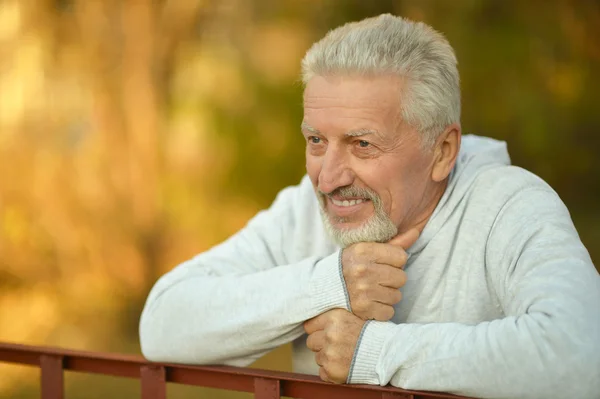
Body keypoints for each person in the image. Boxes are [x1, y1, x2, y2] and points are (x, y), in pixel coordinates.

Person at [139, 14, 600, 399]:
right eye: (316, 141)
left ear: (441, 151)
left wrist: (375, 353)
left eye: (361, 144)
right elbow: (163, 324)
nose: (327, 176)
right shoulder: (305, 207)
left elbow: (582, 352)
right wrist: (328, 284)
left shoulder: (510, 205)